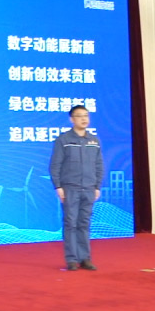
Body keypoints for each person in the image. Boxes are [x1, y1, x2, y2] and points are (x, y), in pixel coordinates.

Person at [49, 105, 104, 271]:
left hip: (89, 188)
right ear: (72, 119)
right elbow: (55, 165)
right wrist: (58, 186)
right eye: (79, 116)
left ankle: (85, 258)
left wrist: (97, 186)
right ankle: (72, 259)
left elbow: (99, 165)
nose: (84, 119)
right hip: (70, 188)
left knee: (84, 224)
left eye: (86, 115)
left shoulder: (94, 141)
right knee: (71, 223)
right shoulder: (64, 140)